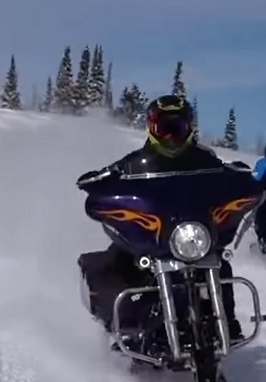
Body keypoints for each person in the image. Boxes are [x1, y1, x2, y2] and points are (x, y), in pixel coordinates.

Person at [77, 94, 255, 342]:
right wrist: (100, 182)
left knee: (219, 262)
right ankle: (126, 326)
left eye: (177, 128)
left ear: (189, 128)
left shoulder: (204, 159)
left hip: (191, 227)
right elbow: (112, 174)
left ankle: (228, 322)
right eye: (164, 128)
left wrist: (242, 180)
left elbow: (226, 175)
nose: (171, 136)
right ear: (152, 129)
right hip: (156, 232)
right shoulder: (135, 163)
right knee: (122, 259)